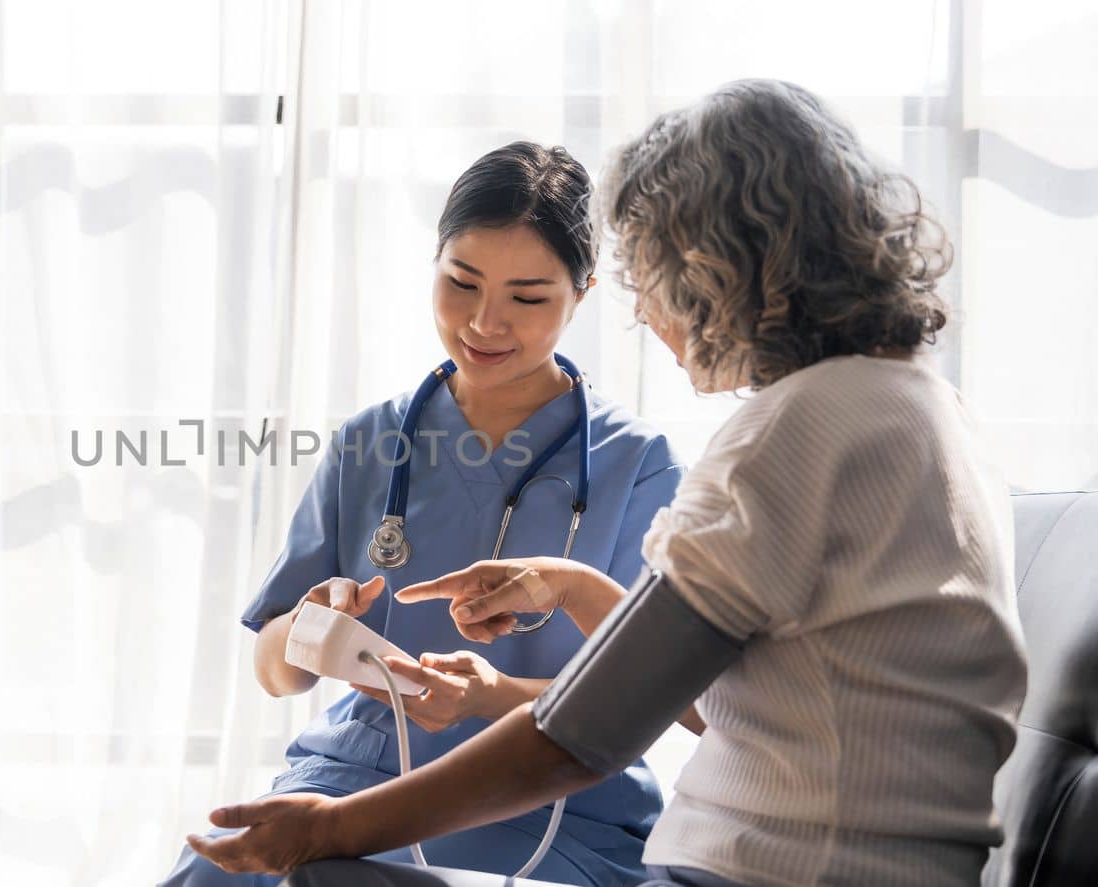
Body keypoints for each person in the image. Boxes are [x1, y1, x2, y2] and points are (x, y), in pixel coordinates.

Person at [185, 79, 1028, 887]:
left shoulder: (793, 434)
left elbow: (590, 728)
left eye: (651, 278)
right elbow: (708, 681)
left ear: (718, 268)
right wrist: (575, 584)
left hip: (755, 863)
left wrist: (330, 828)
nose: (650, 318)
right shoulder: (914, 405)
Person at [159, 142, 685, 885]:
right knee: (216, 874)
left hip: (549, 800)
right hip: (357, 776)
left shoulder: (639, 464)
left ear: (583, 292)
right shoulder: (371, 440)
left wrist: (490, 697)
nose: (485, 322)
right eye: (461, 282)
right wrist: (309, 630)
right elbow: (276, 671)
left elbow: (653, 693)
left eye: (528, 297)